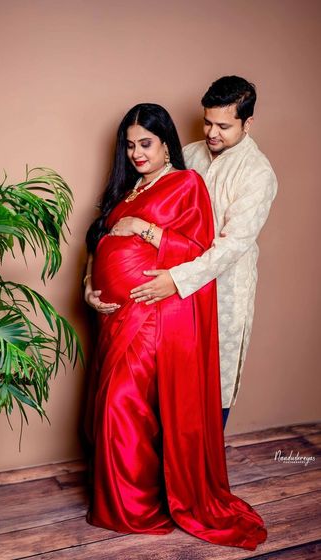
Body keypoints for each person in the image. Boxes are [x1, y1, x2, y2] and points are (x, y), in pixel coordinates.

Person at [83, 103, 267, 550]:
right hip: (117, 317)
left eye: (146, 143)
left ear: (166, 144)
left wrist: (144, 229)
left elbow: (198, 247)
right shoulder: (126, 189)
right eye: (129, 146)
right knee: (119, 410)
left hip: (154, 315)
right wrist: (89, 284)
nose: (136, 154)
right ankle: (130, 505)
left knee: (121, 406)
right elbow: (98, 244)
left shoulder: (186, 183)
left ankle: (136, 510)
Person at [130, 77, 278, 428]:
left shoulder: (258, 173)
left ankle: (203, 473)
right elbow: (149, 200)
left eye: (224, 126)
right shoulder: (189, 154)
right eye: (207, 121)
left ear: (248, 123)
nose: (212, 132)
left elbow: (231, 246)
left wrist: (177, 279)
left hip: (221, 289)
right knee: (167, 381)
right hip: (170, 284)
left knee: (214, 383)